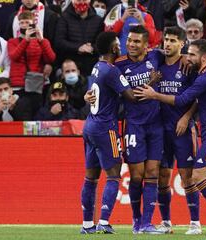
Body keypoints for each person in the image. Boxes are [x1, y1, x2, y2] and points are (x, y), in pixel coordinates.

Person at [134, 39, 206, 235]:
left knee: (197, 175)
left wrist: (154, 94)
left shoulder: (205, 77)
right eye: (187, 54)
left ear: (205, 57)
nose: (188, 58)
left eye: (192, 54)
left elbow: (182, 99)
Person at [79, 31, 137, 234]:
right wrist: (153, 83)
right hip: (106, 127)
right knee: (113, 175)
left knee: (91, 178)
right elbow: (131, 96)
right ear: (113, 48)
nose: (120, 46)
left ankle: (87, 225)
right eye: (118, 44)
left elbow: (96, 93)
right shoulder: (112, 71)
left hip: (90, 125)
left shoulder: (97, 67)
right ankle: (103, 221)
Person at [114, 25, 164, 234]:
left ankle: (146, 223)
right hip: (133, 124)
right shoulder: (119, 65)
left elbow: (176, 57)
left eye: (136, 42)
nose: (131, 45)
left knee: (153, 173)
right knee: (136, 175)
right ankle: (136, 220)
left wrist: (187, 60)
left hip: (156, 124)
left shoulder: (157, 57)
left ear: (146, 45)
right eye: (129, 41)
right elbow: (126, 93)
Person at [154, 26, 201, 235]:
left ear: (182, 44)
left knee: (187, 177)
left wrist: (187, 117)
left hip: (182, 129)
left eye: (173, 40)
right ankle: (165, 222)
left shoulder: (188, 67)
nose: (168, 44)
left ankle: (195, 223)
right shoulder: (157, 64)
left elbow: (198, 97)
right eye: (166, 40)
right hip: (161, 130)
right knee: (162, 176)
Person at [7, 10, 56, 118]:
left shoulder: (42, 41)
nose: (24, 25)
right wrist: (26, 40)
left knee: (35, 116)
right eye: (21, 23)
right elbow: (14, 56)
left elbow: (51, 58)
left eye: (27, 22)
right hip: (18, 85)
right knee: (20, 116)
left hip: (35, 84)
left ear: (34, 23)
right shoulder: (12, 41)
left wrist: (42, 40)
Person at [55, 0, 104, 77]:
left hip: (91, 67)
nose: (81, 2)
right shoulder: (64, 18)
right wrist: (78, 47)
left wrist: (92, 48)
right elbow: (59, 42)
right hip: (70, 67)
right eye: (78, 0)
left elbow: (101, 43)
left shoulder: (98, 20)